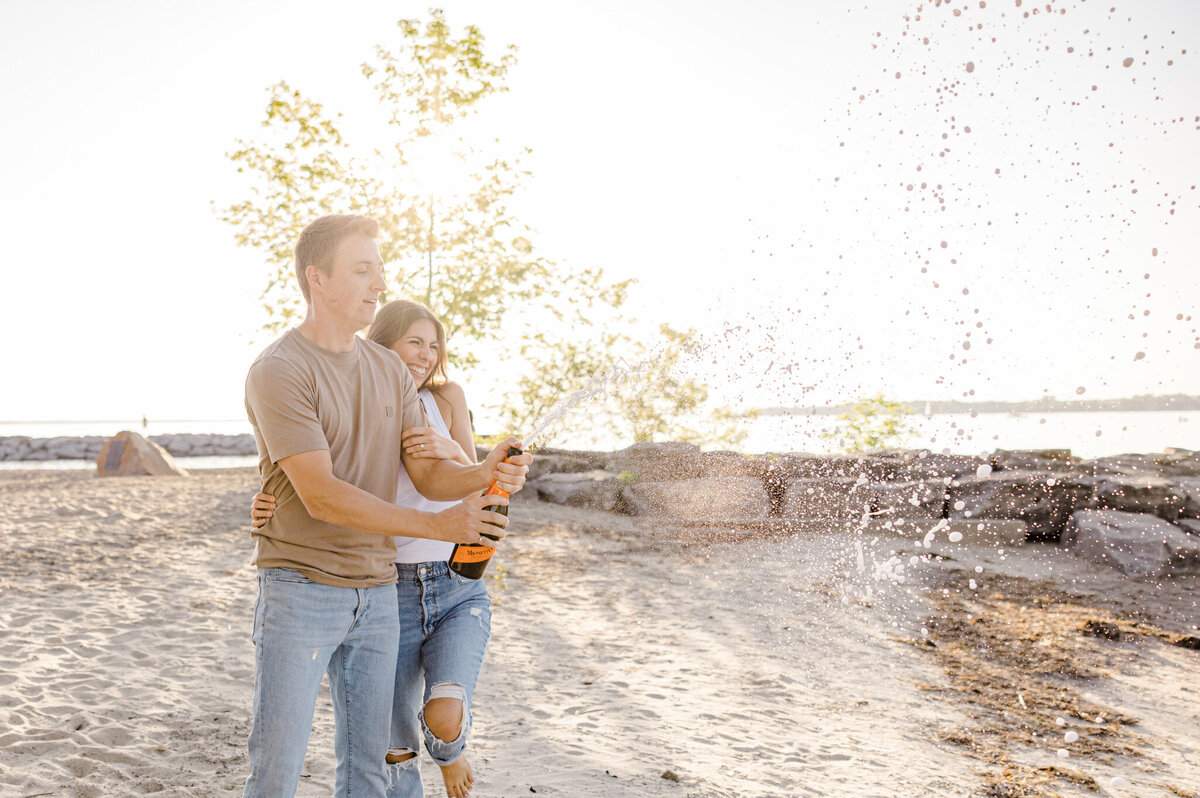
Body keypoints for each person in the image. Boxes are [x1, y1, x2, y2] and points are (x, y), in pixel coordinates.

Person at [242, 214, 531, 798]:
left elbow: (425, 469)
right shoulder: (279, 370)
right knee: (277, 770)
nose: (379, 283)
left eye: (380, 269)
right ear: (316, 279)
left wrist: (484, 470)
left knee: (372, 767)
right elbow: (319, 492)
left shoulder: (388, 370)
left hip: (377, 594)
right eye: (362, 269)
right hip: (301, 588)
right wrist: (434, 524)